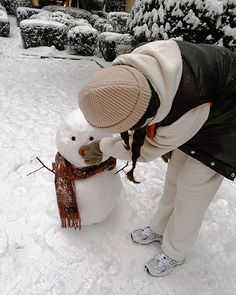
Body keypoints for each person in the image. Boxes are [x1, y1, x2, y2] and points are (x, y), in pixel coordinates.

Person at [78, 40, 236, 277]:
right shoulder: (137, 69)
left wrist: (103, 146)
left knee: (192, 189)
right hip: (204, 103)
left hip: (226, 126)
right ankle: (160, 228)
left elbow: (146, 150)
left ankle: (175, 251)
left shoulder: (185, 106)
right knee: (174, 178)